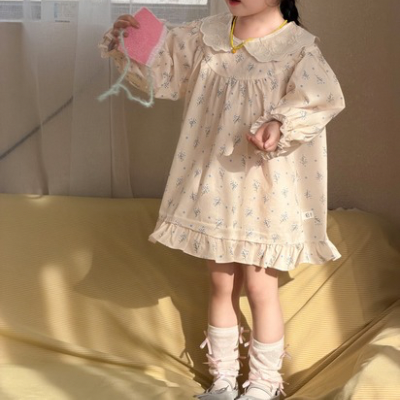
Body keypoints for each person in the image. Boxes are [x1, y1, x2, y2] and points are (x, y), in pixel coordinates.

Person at [99, 0, 345, 399]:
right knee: (220, 283)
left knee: (261, 288)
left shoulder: (298, 48)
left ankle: (264, 385)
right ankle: (224, 382)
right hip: (214, 186)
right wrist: (132, 41)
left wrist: (279, 123)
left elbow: (321, 98)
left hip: (266, 192)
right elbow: (165, 71)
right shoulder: (206, 36)